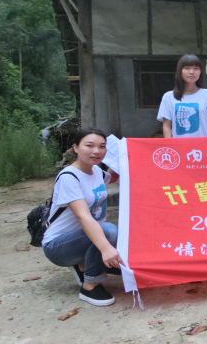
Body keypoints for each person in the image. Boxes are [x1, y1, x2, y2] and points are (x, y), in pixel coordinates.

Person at [42, 128, 123, 306]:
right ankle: (90, 286)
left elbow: (112, 177)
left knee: (127, 264)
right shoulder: (69, 177)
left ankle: (83, 264)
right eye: (89, 145)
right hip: (58, 245)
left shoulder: (96, 171)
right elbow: (83, 216)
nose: (96, 151)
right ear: (76, 148)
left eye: (102, 146)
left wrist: (122, 154)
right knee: (109, 231)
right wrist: (106, 249)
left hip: (82, 238)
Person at [157, 54, 207, 138]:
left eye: (196, 68)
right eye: (187, 68)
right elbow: (166, 126)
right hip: (178, 145)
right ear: (180, 71)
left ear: (200, 71)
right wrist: (170, 144)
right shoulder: (168, 97)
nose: (192, 72)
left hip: (203, 145)